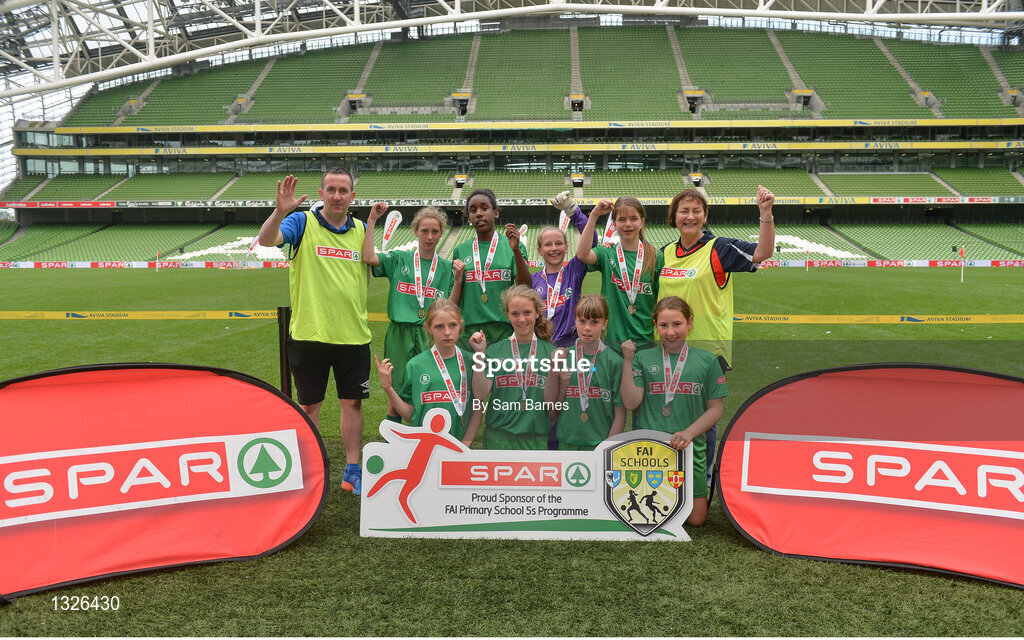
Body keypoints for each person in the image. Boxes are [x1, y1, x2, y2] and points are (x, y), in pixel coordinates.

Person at [258, 169, 370, 496]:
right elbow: (266, 240)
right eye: (331, 189)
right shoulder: (302, 222)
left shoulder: (362, 229)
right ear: (321, 192)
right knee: (310, 407)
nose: (337, 195)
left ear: (352, 196)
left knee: (352, 404)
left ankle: (352, 470)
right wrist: (281, 211)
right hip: (310, 335)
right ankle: (315, 469)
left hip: (353, 336)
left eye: (343, 190)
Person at [658, 186, 774, 487]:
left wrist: (765, 213)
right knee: (670, 416)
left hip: (707, 352)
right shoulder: (664, 253)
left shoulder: (719, 248)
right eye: (684, 210)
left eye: (697, 211)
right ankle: (671, 477)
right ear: (673, 217)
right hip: (667, 350)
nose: (690, 216)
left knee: (702, 421)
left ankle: (702, 479)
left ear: (705, 216)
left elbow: (762, 253)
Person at [620, 296, 728, 526]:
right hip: (649, 452)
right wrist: (627, 362)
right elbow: (630, 403)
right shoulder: (642, 358)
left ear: (689, 322)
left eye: (677, 324)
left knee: (696, 521)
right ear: (656, 326)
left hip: (689, 449)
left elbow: (716, 409)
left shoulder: (708, 361)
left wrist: (689, 433)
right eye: (663, 325)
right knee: (646, 514)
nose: (670, 332)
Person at [362, 205, 464, 421]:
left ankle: (426, 439)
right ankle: (394, 444)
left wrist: (457, 281)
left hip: (430, 335)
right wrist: (371, 220)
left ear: (441, 234)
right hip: (400, 333)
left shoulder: (446, 268)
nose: (429, 236)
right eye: (424, 231)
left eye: (435, 231)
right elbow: (369, 257)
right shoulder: (400, 259)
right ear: (415, 231)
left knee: (429, 388)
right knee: (397, 392)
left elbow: (449, 308)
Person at [374, 299, 479, 446]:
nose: (447, 332)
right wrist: (388, 388)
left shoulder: (470, 362)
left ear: (460, 325)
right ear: (428, 328)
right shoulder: (416, 365)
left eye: (452, 325)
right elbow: (410, 415)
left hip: (460, 449)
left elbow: (477, 410)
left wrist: (464, 447)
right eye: (439, 327)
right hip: (422, 448)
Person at [469, 285, 559, 450]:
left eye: (527, 312)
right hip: (498, 437)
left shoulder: (550, 353)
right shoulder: (495, 351)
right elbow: (480, 393)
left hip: (535, 439)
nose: (522, 319)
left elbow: (552, 403)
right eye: (515, 314)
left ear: (537, 313)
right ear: (507, 315)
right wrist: (480, 354)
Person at [576, 197, 664, 356]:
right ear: (614, 224)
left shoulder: (656, 256)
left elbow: (661, 300)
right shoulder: (607, 253)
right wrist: (594, 214)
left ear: (642, 222)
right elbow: (582, 254)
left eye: (633, 219)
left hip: (645, 343)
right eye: (622, 219)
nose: (628, 224)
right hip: (612, 343)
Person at [451, 188, 532, 349]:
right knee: (472, 375)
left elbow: (526, 286)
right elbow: (454, 301)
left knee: (503, 375)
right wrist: (458, 281)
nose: (479, 214)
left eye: (484, 208)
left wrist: (516, 251)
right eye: (473, 210)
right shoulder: (461, 250)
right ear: (469, 217)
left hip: (505, 331)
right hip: (469, 334)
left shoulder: (512, 246)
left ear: (495, 213)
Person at [551, 294, 626, 450]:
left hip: (600, 445)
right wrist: (563, 385)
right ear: (575, 321)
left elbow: (620, 415)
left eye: (595, 322)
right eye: (582, 321)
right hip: (567, 442)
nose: (587, 328)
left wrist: (607, 448)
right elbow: (554, 412)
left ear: (605, 324)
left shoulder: (615, 363)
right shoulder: (564, 358)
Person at [533, 191, 599, 348]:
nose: (554, 248)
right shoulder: (532, 279)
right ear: (539, 250)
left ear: (566, 247)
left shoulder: (574, 270)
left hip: (570, 345)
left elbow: (592, 241)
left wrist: (572, 210)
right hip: (540, 346)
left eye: (559, 243)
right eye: (548, 244)